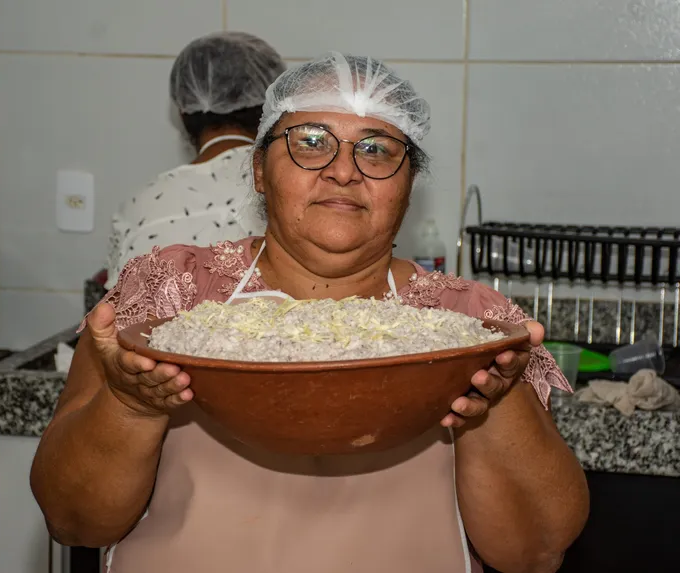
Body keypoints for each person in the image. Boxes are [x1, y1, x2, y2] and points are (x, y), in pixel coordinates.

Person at [32, 53, 589, 573]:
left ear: (408, 183)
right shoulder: (165, 295)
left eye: (376, 149)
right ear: (258, 170)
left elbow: (536, 552)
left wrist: (498, 396)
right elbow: (73, 520)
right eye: (311, 142)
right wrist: (130, 406)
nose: (343, 171)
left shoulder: (471, 323)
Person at [104, 31, 286, 290]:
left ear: (182, 110)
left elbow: (119, 314)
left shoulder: (141, 207)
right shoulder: (293, 186)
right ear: (273, 107)